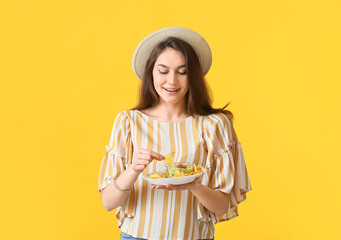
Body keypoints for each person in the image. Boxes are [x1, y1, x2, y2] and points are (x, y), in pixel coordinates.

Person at [98, 27, 252, 240]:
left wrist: (194, 187)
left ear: (194, 77)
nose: (172, 81)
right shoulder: (128, 122)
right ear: (150, 73)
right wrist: (132, 169)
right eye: (163, 71)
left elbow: (221, 206)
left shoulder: (214, 125)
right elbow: (108, 202)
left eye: (182, 72)